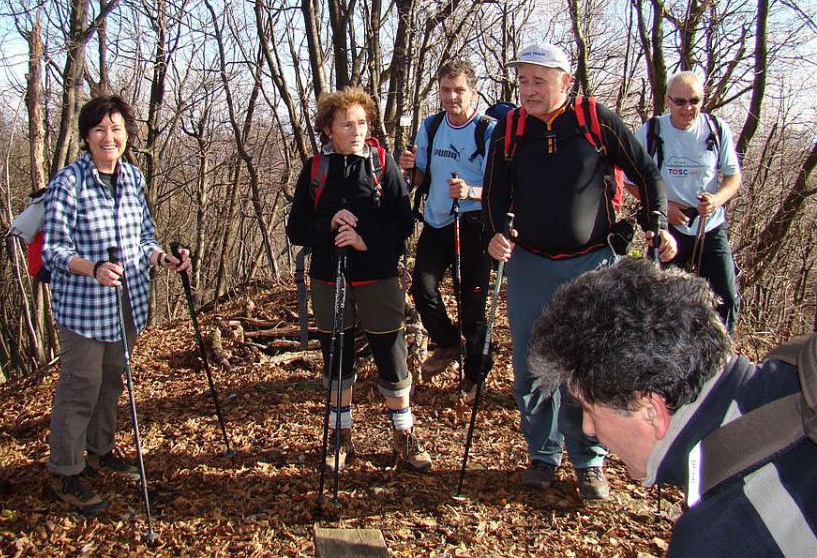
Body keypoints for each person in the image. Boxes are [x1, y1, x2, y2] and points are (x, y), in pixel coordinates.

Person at [482, 42, 676, 501]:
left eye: (538, 80)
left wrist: (657, 224)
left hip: (592, 264)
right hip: (530, 262)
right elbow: (493, 192)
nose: (528, 90)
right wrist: (493, 233)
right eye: (523, 80)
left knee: (588, 368)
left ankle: (589, 460)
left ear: (565, 82)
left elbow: (647, 173)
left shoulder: (595, 120)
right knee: (532, 368)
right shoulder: (509, 129)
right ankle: (542, 455)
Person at [529, 258, 817, 557]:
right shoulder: (798, 368)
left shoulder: (719, 538)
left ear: (651, 411)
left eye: (589, 409)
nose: (587, 428)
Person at [43, 95, 190, 515]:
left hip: (127, 303)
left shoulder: (132, 178)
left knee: (111, 381)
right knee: (80, 387)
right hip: (84, 309)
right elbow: (54, 249)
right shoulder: (68, 183)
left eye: (117, 129)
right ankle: (66, 473)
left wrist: (163, 258)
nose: (109, 138)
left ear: (127, 134)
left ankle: (99, 451)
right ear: (87, 136)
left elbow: (143, 238)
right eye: (100, 130)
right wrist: (91, 268)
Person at [286, 87, 432, 472]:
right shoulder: (316, 168)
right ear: (328, 129)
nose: (356, 131)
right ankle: (340, 436)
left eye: (362, 123)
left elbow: (402, 223)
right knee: (337, 359)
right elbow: (296, 228)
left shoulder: (383, 165)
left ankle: (404, 434)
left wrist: (366, 238)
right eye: (346, 124)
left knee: (393, 356)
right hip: (328, 278)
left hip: (377, 276)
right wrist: (329, 224)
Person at [399, 59, 497, 400]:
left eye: (459, 90)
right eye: (445, 90)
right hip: (438, 221)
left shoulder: (488, 130)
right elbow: (420, 177)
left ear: (473, 92)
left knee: (472, 306)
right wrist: (409, 168)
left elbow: (501, 189)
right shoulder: (431, 125)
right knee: (422, 288)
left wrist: (471, 191)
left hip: (473, 226)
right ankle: (448, 342)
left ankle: (475, 375)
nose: (452, 96)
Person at [627, 70, 741, 334]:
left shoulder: (716, 129)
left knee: (725, 298)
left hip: (709, 226)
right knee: (661, 301)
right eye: (680, 101)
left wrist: (716, 200)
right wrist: (665, 207)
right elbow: (630, 180)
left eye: (695, 100)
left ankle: (722, 361)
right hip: (668, 229)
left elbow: (733, 178)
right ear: (667, 100)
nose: (688, 108)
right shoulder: (651, 131)